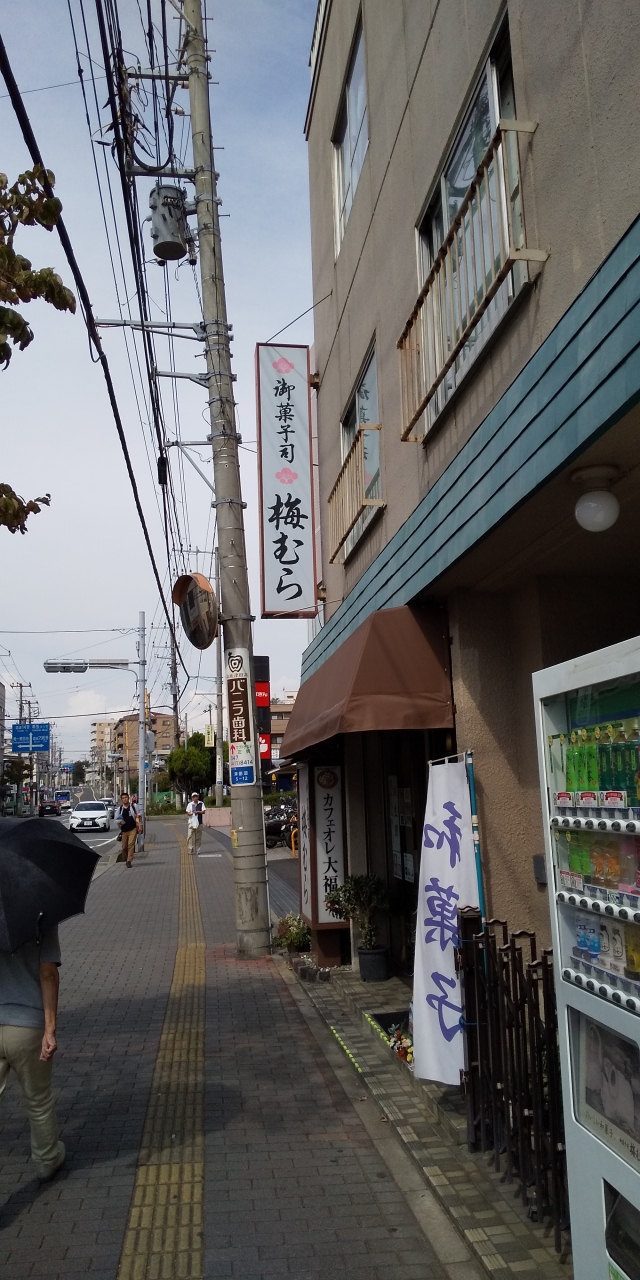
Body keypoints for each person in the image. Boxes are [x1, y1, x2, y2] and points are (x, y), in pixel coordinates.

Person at [0, 925, 65, 1181]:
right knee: (38, 1099)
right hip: (27, 1025)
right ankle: (47, 1160)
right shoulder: (41, 916)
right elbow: (48, 973)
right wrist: (50, 1029)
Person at [115, 792, 140, 867]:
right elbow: (116, 819)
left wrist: (139, 825)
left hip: (133, 829)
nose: (125, 799)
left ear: (128, 798)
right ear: (121, 800)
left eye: (126, 797)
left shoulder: (133, 806)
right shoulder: (120, 809)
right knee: (124, 847)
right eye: (123, 798)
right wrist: (120, 822)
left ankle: (129, 861)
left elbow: (138, 816)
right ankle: (126, 858)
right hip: (124, 831)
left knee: (131, 844)